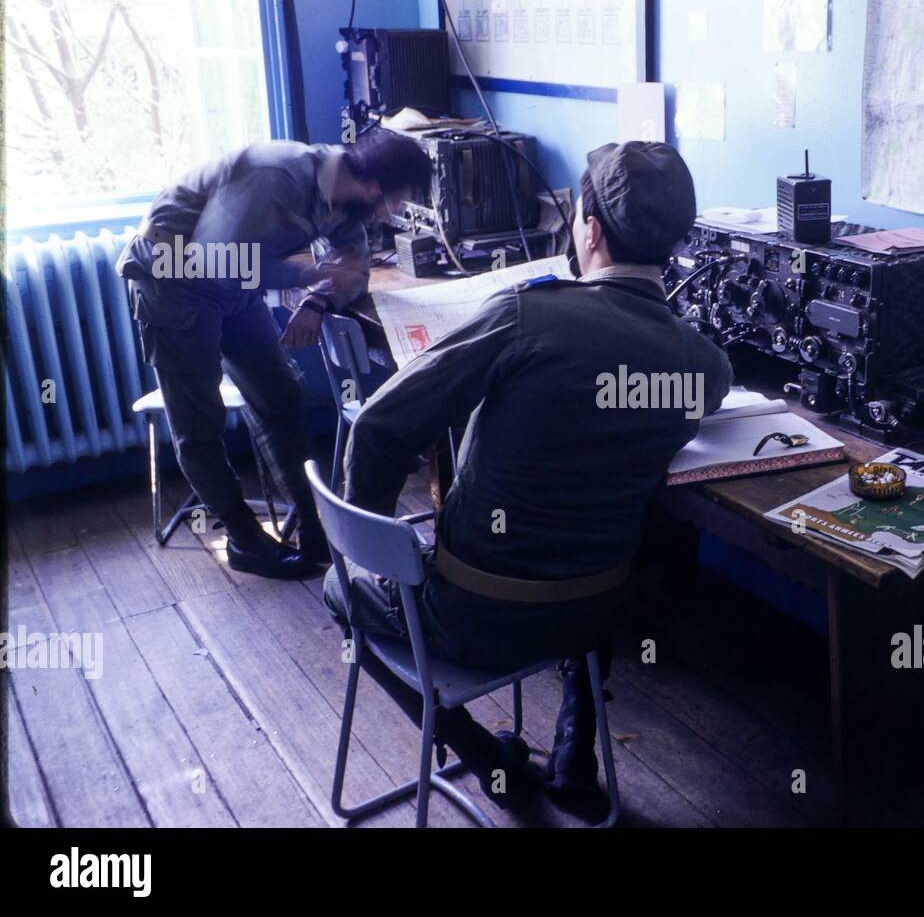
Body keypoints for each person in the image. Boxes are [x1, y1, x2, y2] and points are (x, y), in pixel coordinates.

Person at [323, 141, 733, 805]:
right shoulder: (705, 367)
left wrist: (372, 558)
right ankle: (574, 752)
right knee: (605, 530)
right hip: (597, 607)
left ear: (591, 231)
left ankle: (486, 757)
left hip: (471, 616)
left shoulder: (526, 315)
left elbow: (377, 427)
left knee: (339, 590)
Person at [118, 133, 432, 578]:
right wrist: (307, 272)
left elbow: (353, 264)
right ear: (375, 188)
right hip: (174, 277)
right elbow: (213, 258)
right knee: (198, 420)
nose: (397, 213)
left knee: (280, 395)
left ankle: (312, 524)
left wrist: (317, 299)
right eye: (401, 200)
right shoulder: (276, 174)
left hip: (234, 285)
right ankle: (242, 537)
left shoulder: (344, 196)